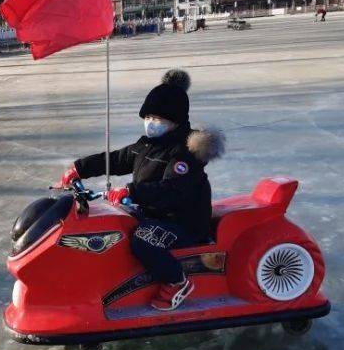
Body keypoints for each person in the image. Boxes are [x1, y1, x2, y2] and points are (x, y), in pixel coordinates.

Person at [57, 70, 225, 311]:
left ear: (174, 121)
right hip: (153, 214)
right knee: (110, 226)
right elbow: (116, 159)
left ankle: (177, 281)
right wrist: (79, 168)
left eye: (157, 119)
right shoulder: (147, 145)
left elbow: (171, 191)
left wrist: (131, 192)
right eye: (147, 117)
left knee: (142, 241)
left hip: (183, 223)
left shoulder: (185, 154)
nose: (150, 123)